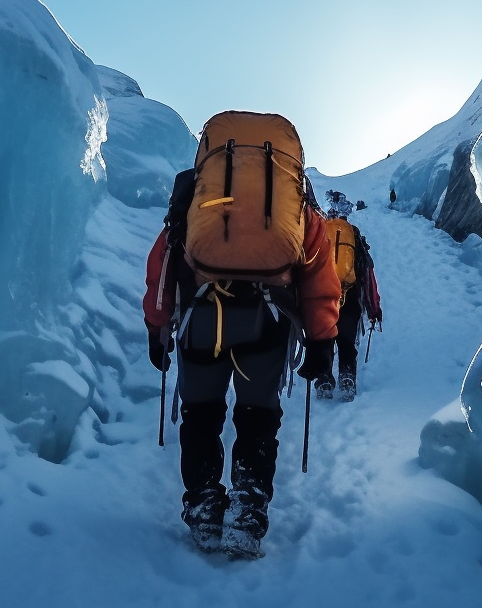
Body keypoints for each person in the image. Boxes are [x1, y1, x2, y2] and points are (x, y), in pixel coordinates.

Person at [143, 170, 340, 560]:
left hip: (201, 319)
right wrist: (322, 340)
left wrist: (156, 327)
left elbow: (163, 262)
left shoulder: (199, 193)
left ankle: (204, 505)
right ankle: (247, 511)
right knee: (258, 416)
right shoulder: (293, 200)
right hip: (266, 321)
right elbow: (319, 271)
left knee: (200, 414)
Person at [315, 213, 383, 402]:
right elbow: (368, 278)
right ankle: (347, 377)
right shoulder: (356, 242)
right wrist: (374, 309)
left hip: (322, 296)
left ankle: (324, 379)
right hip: (350, 297)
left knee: (325, 339)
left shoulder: (320, 236)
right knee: (347, 341)